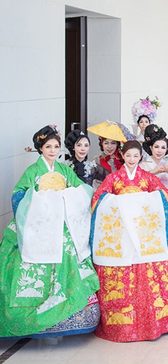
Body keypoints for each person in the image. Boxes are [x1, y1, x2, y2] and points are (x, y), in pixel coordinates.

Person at [0, 125, 100, 339]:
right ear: (41, 148)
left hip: (62, 224)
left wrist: (65, 197)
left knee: (71, 251)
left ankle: (72, 311)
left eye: (56, 146)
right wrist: (41, 201)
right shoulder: (33, 171)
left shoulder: (64, 170)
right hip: (39, 224)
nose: (53, 150)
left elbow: (81, 190)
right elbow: (18, 195)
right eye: (48, 146)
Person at [91, 140, 168, 342]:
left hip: (144, 234)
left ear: (140, 157)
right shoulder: (114, 178)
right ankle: (124, 324)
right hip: (123, 234)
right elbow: (99, 198)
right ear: (123, 156)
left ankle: (157, 321)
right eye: (128, 156)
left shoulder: (147, 178)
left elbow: (163, 195)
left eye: (136, 156)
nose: (132, 159)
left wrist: (142, 204)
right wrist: (120, 204)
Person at [141, 124, 168, 190]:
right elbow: (136, 182)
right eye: (156, 147)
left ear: (167, 149)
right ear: (151, 147)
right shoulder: (143, 165)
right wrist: (153, 171)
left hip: (167, 199)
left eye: (163, 148)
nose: (159, 151)